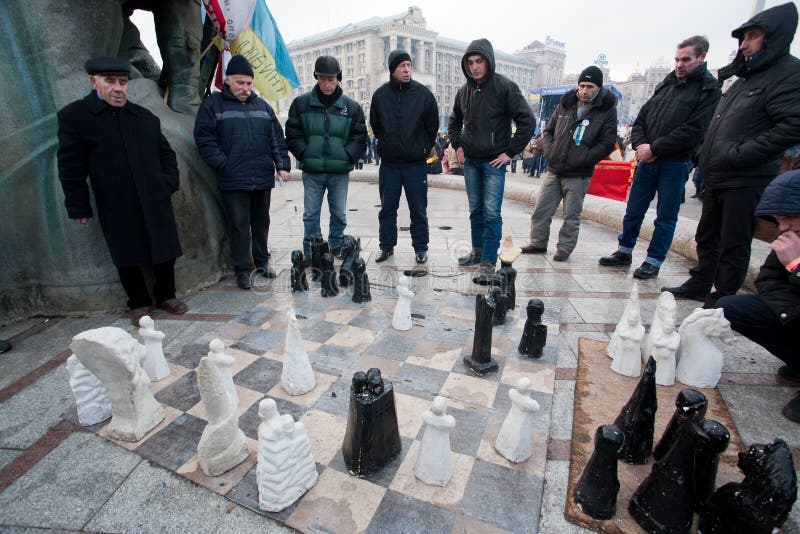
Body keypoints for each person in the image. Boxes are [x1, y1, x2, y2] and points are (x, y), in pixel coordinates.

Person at [664, 3, 800, 306]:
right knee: (707, 235)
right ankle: (700, 282)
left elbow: (791, 126)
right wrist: (705, 153)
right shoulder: (746, 77)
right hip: (717, 173)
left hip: (745, 176)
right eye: (742, 38)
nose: (744, 44)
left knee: (734, 242)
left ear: (773, 37)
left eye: (752, 36)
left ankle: (725, 296)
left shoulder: (788, 73)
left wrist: (739, 154)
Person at [58, 56, 188, 326]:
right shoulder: (76, 117)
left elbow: (167, 156)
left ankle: (167, 295)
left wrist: (167, 183)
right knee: (126, 253)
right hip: (116, 201)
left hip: (155, 197)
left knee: (165, 248)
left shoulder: (144, 118)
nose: (118, 88)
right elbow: (71, 166)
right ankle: (138, 302)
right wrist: (78, 205)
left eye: (122, 82)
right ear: (94, 81)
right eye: (110, 82)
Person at [598, 36, 721, 279]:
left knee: (665, 216)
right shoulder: (666, 84)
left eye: (686, 59)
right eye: (677, 59)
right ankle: (624, 251)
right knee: (634, 209)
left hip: (674, 162)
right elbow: (642, 119)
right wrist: (641, 144)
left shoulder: (709, 89)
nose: (679, 64)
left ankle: (653, 260)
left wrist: (655, 148)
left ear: (701, 57)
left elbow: (694, 131)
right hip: (647, 159)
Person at [194, 55, 291, 290]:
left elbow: (276, 138)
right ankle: (243, 269)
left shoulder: (262, 107)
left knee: (261, 223)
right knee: (239, 226)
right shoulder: (213, 105)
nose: (245, 88)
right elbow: (204, 138)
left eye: (249, 83)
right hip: (233, 178)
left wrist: (282, 165)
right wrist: (222, 163)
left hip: (261, 177)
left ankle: (262, 262)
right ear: (228, 80)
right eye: (240, 83)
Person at [715, 170, 800, 422]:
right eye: (778, 220)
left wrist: (796, 265)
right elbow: (767, 279)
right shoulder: (792, 237)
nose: (783, 227)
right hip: (795, 305)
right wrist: (793, 309)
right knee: (731, 307)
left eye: (788, 218)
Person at [448, 38, 534, 283]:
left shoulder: (505, 87)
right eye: (470, 63)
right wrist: (458, 144)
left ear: (488, 61)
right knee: (475, 210)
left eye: (479, 61)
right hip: (471, 162)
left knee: (491, 213)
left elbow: (527, 121)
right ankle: (477, 252)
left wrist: (510, 152)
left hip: (494, 163)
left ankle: (488, 261)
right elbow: (454, 122)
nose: (475, 67)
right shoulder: (464, 91)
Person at [520, 66, 617, 261]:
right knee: (541, 209)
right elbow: (548, 131)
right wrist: (550, 151)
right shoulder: (567, 103)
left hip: (579, 173)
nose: (584, 90)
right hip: (555, 168)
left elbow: (607, 142)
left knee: (571, 215)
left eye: (589, 86)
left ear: (598, 88)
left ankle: (564, 248)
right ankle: (538, 242)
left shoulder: (606, 109)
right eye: (581, 85)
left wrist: (585, 157)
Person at [284, 55, 367, 261]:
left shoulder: (351, 107)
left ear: (338, 78)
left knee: (339, 213)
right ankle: (312, 248)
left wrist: (348, 155)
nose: (327, 84)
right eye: (323, 79)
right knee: (310, 213)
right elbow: (292, 133)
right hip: (312, 170)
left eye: (331, 79)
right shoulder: (301, 104)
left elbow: (360, 136)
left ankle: (336, 244)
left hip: (339, 171)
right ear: (316, 78)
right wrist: (304, 153)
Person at [370, 50, 439, 264]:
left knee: (418, 209)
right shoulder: (380, 96)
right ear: (392, 70)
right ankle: (386, 246)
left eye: (409, 65)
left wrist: (422, 149)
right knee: (388, 209)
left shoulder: (423, 95)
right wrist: (388, 143)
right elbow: (376, 125)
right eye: (402, 66)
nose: (407, 69)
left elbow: (432, 127)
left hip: (415, 165)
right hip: (390, 165)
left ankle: (421, 248)